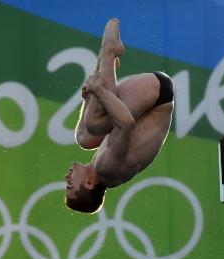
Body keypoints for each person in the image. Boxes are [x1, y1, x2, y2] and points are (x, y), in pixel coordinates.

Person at [64, 18, 174, 213]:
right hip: (158, 96)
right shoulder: (107, 167)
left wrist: (90, 98)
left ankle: (105, 67)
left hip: (149, 101)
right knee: (94, 122)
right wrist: (99, 91)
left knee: (84, 137)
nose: (67, 179)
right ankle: (109, 52)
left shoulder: (103, 170)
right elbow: (125, 122)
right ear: (89, 183)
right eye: (71, 185)